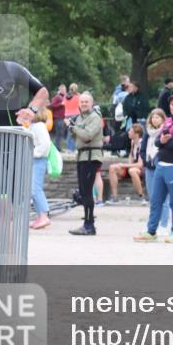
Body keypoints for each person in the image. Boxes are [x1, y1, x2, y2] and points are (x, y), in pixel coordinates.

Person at [135, 94, 173, 243]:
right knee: (155, 200)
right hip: (161, 165)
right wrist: (163, 140)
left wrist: (164, 140)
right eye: (172, 104)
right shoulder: (167, 121)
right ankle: (151, 230)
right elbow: (158, 143)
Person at [67, 91, 103, 236]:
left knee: (87, 192)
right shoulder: (79, 118)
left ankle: (89, 225)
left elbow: (87, 136)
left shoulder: (95, 117)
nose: (83, 104)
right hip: (82, 156)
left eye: (86, 101)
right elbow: (75, 136)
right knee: (83, 192)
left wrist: (74, 128)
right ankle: (87, 223)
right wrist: (72, 128)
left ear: (92, 103)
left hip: (91, 156)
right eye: (81, 102)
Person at [107, 124, 145, 203]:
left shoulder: (142, 144)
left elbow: (140, 164)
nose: (128, 133)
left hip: (142, 170)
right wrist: (127, 165)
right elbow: (131, 156)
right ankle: (114, 197)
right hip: (132, 167)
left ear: (136, 134)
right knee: (112, 168)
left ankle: (141, 197)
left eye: (130, 131)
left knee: (132, 171)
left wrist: (124, 165)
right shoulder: (132, 142)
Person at [28, 108, 51, 230]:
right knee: (33, 189)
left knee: (35, 188)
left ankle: (44, 215)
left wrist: (32, 153)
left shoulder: (39, 126)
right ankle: (39, 216)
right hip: (35, 159)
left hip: (39, 159)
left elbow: (45, 145)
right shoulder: (34, 125)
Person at [140, 108, 167, 201]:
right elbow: (142, 149)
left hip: (160, 164)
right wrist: (145, 160)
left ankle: (163, 216)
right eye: (153, 117)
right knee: (152, 195)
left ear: (163, 119)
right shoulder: (148, 132)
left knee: (162, 195)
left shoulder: (165, 131)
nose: (154, 119)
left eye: (157, 117)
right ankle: (154, 215)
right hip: (149, 165)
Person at [64, 84, 81, 151]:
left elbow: (63, 104)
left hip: (67, 115)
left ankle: (69, 148)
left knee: (69, 132)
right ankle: (74, 148)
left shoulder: (65, 96)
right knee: (75, 132)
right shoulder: (78, 96)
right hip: (76, 115)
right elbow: (80, 105)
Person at [50, 84, 67, 151]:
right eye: (62, 89)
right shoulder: (57, 97)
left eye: (65, 89)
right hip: (58, 118)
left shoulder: (65, 97)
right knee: (58, 133)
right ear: (59, 90)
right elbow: (52, 105)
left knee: (61, 133)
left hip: (63, 118)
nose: (64, 91)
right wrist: (61, 104)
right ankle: (57, 148)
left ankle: (58, 147)